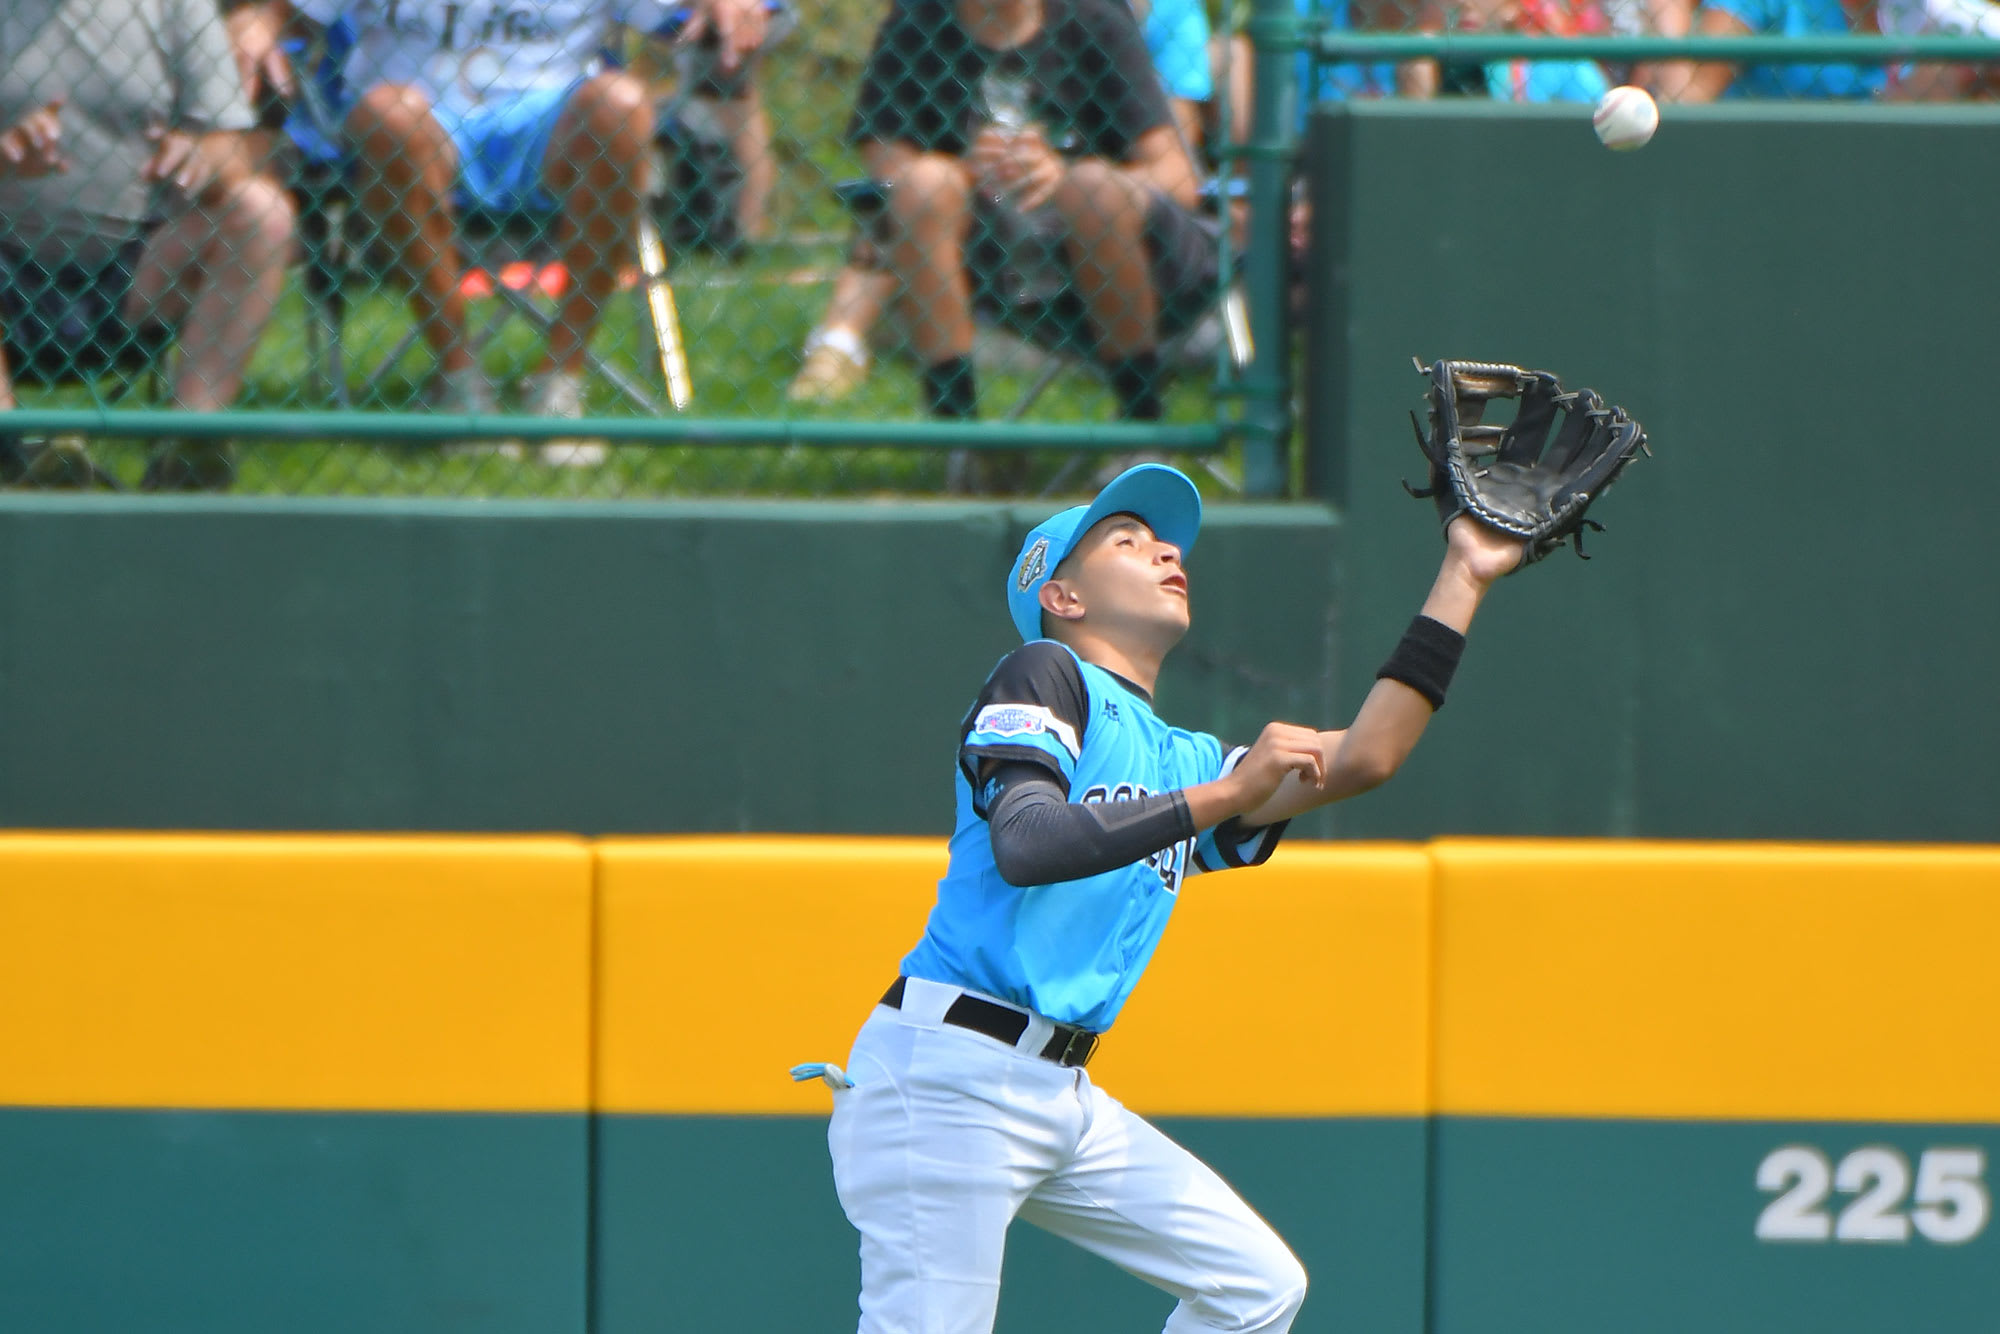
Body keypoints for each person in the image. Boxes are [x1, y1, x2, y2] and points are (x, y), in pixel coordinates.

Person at [816, 461, 1527, 1334]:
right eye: (1128, 538)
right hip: (948, 1071)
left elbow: (1364, 758)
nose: (1163, 549)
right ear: (1063, 596)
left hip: (1059, 1089)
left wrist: (1463, 574)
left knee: (1256, 1287)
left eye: (1167, 539)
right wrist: (1228, 797)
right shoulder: (1043, 672)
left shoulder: (1179, 756)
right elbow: (1028, 844)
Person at [240, 0, 767, 463]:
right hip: (417, 119)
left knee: (622, 103)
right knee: (389, 113)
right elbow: (287, 13)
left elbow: (676, 17)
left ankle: (560, 383)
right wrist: (256, 20)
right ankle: (460, 381)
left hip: (552, 119)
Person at [789, 0, 1227, 417]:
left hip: (1130, 258)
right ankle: (957, 428)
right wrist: (964, 172)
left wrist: (1063, 177)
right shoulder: (917, 20)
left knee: (1092, 188)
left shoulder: (1095, 17)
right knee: (924, 185)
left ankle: (1141, 421)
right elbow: (887, 168)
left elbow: (1178, 176)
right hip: (992, 261)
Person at [0, 0, 297, 491]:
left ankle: (188, 451)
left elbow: (236, 146)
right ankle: (9, 462)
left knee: (260, 211)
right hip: (8, 269)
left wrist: (204, 155)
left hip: (138, 268)